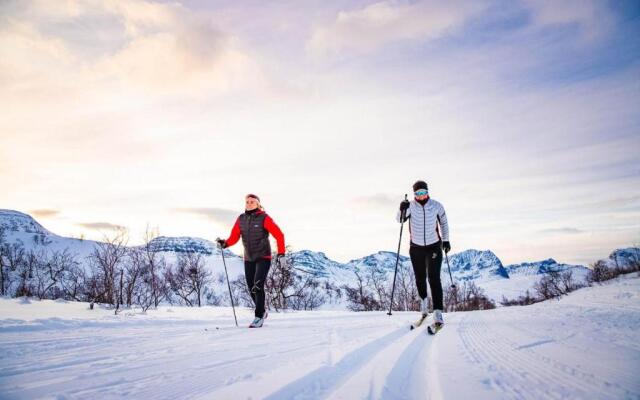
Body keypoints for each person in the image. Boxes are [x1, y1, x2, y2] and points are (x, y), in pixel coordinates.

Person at [217, 194, 285, 328]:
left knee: (257, 285)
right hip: (249, 258)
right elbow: (234, 237)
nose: (249, 204)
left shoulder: (264, 218)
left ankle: (258, 317)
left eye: (252, 202)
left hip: (263, 257)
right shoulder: (241, 219)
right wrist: (225, 243)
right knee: (251, 288)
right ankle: (262, 310)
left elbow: (279, 234)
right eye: (247, 202)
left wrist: (282, 253)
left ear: (258, 204)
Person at [396, 180, 450, 328]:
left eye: (423, 192)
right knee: (420, 278)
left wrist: (445, 240)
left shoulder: (436, 206)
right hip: (416, 248)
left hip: (433, 247)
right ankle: (424, 308)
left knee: (434, 278)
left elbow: (444, 223)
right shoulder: (410, 206)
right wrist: (401, 208)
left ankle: (438, 312)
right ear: (414, 194)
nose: (421, 196)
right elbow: (399, 220)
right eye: (418, 193)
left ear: (427, 192)